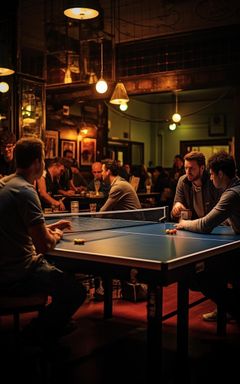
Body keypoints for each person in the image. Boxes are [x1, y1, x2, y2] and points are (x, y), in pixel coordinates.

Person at [0, 137, 86, 346]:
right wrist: (55, 235)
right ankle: (34, 335)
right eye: (44, 160)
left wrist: (49, 228)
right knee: (75, 291)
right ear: (38, 162)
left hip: (3, 267)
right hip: (19, 273)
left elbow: (18, 228)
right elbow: (44, 246)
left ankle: (54, 324)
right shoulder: (26, 191)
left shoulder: (6, 184)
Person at [175, 151, 240, 323]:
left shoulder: (231, 193)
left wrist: (183, 224)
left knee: (199, 277)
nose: (210, 178)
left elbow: (204, 225)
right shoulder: (235, 187)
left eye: (211, 174)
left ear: (220, 174)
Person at [171, 151, 221, 221]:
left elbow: (220, 215)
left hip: (213, 226)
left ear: (202, 168)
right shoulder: (183, 181)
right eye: (186, 168)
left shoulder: (213, 181)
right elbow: (173, 216)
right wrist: (176, 208)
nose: (188, 172)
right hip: (193, 227)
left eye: (191, 168)